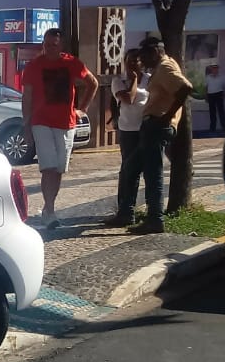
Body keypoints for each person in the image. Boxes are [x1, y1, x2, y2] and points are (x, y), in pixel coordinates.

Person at [20, 28, 99, 228]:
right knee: (48, 167)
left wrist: (82, 109)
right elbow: (27, 97)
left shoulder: (72, 63)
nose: (49, 48)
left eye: (54, 45)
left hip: (65, 122)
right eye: (46, 44)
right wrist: (27, 126)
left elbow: (93, 83)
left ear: (61, 45)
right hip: (41, 121)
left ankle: (49, 208)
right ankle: (50, 211)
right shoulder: (33, 66)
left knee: (59, 169)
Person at [131, 33, 194, 235]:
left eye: (146, 56)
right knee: (132, 169)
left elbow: (185, 87)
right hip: (153, 125)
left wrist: (167, 116)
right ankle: (130, 213)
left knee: (153, 174)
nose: (143, 61)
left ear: (156, 52)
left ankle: (155, 219)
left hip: (157, 126)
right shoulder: (164, 66)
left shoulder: (166, 67)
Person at [103, 50, 151, 227]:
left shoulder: (150, 79)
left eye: (136, 61)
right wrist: (134, 80)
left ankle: (150, 212)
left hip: (146, 129)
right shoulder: (119, 81)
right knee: (128, 170)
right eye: (129, 61)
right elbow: (129, 99)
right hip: (128, 131)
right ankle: (125, 211)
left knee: (148, 170)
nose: (133, 64)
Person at [205, 64, 225, 135]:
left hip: (219, 94)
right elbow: (206, 87)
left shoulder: (222, 77)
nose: (215, 70)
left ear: (218, 69)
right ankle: (212, 128)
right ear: (211, 69)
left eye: (216, 68)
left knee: (221, 111)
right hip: (211, 95)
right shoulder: (208, 77)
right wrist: (206, 96)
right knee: (212, 112)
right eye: (213, 68)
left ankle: (224, 127)